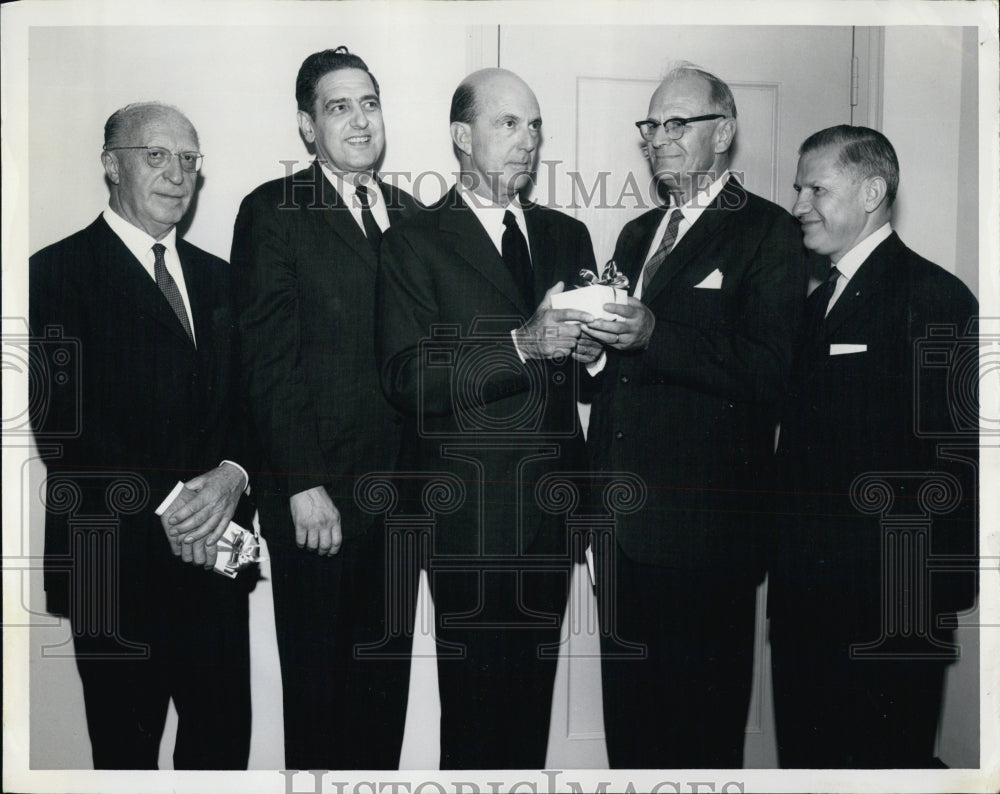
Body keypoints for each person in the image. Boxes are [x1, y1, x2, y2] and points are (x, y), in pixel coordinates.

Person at [583, 64, 806, 768]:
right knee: (632, 737)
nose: (659, 139)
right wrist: (593, 354)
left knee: (700, 740)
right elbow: (622, 375)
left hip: (708, 539)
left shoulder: (767, 233)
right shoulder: (636, 234)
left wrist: (655, 334)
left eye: (678, 123)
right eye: (652, 126)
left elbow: (770, 371)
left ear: (725, 132)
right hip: (619, 534)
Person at [375, 67, 598, 769]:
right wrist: (519, 345)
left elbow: (579, 375)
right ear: (461, 137)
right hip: (468, 516)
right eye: (509, 124)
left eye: (534, 126)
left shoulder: (568, 234)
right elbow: (408, 378)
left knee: (530, 715)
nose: (527, 141)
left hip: (552, 513)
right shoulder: (415, 242)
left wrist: (592, 351)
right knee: (475, 719)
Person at [29, 101, 255, 769]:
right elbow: (63, 429)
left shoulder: (223, 280)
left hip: (217, 566)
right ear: (111, 165)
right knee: (124, 763)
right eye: (157, 156)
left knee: (221, 756)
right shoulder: (54, 273)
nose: (178, 174)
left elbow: (250, 405)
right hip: (113, 564)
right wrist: (179, 508)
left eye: (190, 160)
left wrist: (235, 474)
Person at [230, 47, 420, 769]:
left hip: (401, 505)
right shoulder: (273, 212)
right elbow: (267, 362)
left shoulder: (411, 214)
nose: (360, 119)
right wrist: (304, 484)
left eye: (369, 102)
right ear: (308, 126)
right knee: (320, 705)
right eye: (339, 106)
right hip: (319, 504)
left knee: (384, 703)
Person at [769, 125, 978, 768]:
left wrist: (927, 608)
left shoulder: (934, 297)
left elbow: (958, 464)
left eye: (817, 188)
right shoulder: (815, 305)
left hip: (890, 616)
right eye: (799, 187)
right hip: (807, 608)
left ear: (872, 191)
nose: (800, 203)